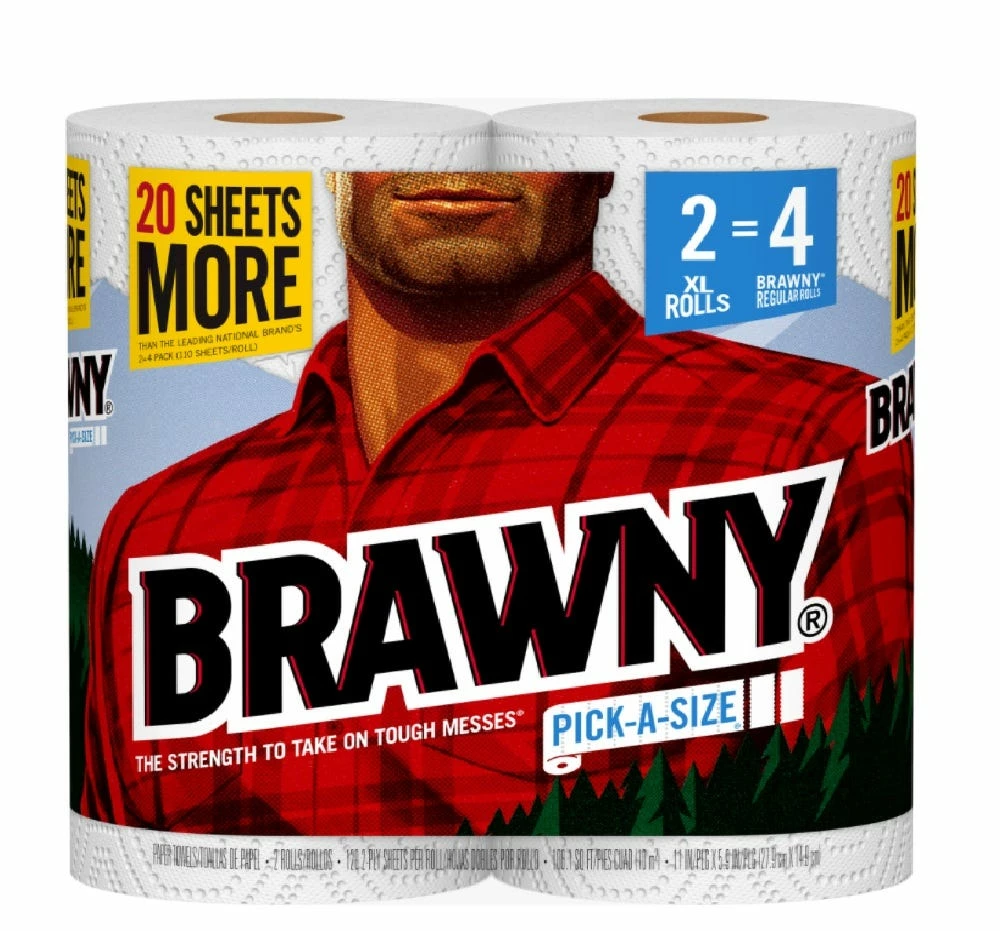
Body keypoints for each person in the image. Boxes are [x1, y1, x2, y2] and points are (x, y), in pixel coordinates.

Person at [81, 171, 912, 835]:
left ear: (598, 154)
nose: (456, 155)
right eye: (414, 119)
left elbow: (835, 825)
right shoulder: (165, 528)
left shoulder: (811, 440)